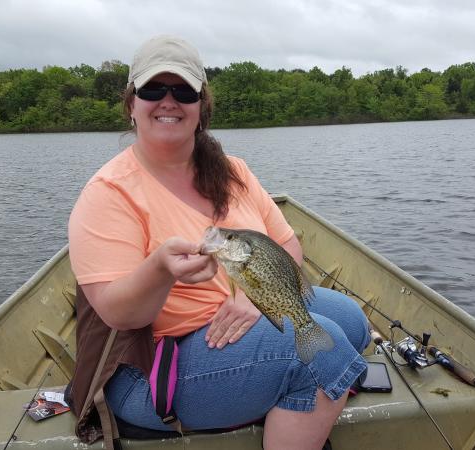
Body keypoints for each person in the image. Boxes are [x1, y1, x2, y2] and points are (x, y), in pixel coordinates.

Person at [67, 35, 370, 450]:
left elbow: (287, 249)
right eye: (154, 89)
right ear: (132, 104)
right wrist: (159, 270)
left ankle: (282, 399)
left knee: (352, 321)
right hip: (150, 368)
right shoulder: (108, 193)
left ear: (201, 105)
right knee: (324, 356)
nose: (168, 101)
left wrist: (253, 298)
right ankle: (289, 391)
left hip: (236, 323)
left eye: (184, 91)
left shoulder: (233, 171)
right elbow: (120, 315)